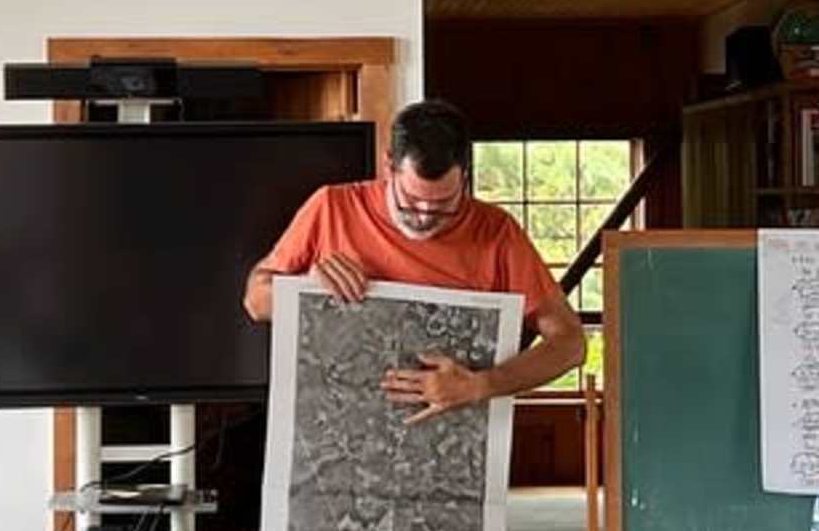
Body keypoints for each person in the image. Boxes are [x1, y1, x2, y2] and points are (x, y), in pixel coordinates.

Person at [242, 98, 588, 416]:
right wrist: (307, 289)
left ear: (465, 177)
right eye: (411, 200)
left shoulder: (497, 232)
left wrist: (481, 385)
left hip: (452, 450)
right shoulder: (331, 207)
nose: (423, 217)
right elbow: (256, 301)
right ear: (389, 165)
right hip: (335, 435)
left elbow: (570, 344)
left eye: (443, 206)